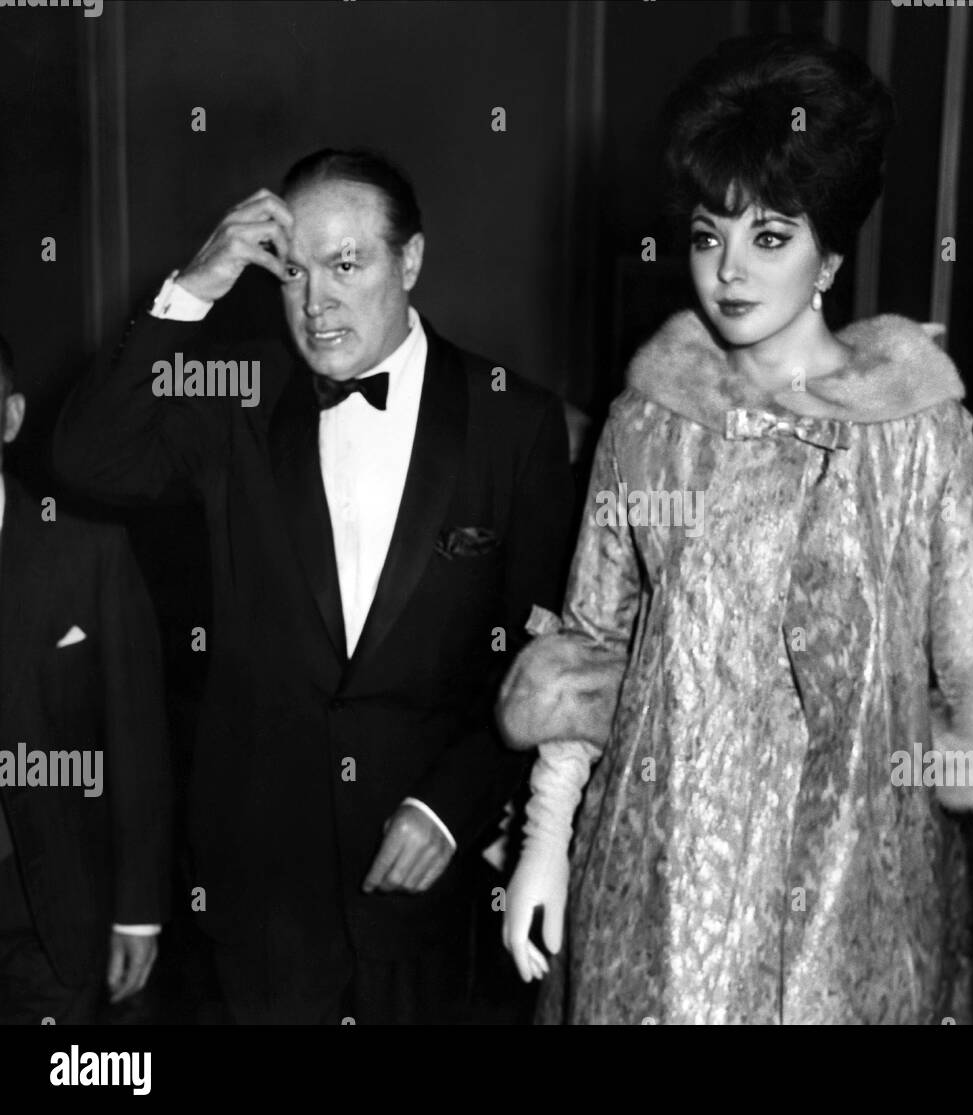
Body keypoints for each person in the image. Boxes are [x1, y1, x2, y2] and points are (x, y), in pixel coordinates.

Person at [496, 34, 973, 1025]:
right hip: (659, 879)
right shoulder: (649, 418)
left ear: (829, 258)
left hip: (861, 885)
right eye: (705, 232)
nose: (727, 269)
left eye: (769, 236)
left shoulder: (913, 426)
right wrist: (548, 830)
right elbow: (591, 647)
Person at [53, 149, 573, 1024]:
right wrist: (195, 285)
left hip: (433, 899)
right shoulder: (241, 398)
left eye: (346, 265)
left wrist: (449, 809)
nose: (315, 302)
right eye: (293, 272)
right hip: (262, 899)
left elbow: (540, 661)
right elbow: (84, 456)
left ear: (409, 262)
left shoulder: (513, 421)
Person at [0, 334, 170, 1024]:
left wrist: (138, 909)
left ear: (9, 419)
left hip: (50, 911)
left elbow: (137, 741)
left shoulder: (87, 555)